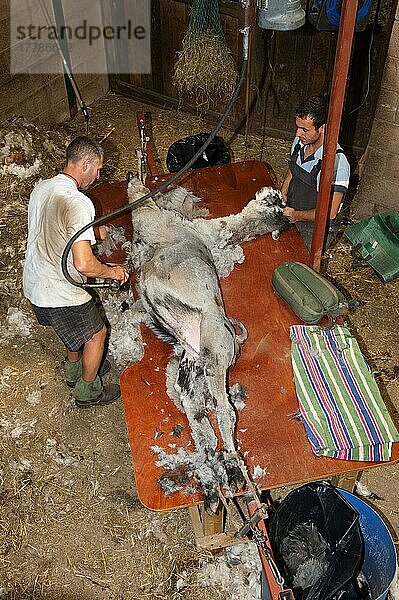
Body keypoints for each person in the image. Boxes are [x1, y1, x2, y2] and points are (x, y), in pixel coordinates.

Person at [23, 136, 129, 408]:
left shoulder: (42, 188)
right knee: (97, 333)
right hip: (59, 290)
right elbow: (83, 264)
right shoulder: (80, 203)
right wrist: (112, 272)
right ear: (85, 164)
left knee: (72, 329)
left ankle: (73, 369)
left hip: (34, 284)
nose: (98, 174)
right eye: (98, 169)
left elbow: (53, 224)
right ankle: (87, 391)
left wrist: (92, 230)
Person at [280, 96, 350, 250]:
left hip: (316, 225)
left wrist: (297, 216)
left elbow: (330, 212)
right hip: (293, 209)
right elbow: (293, 168)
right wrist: (284, 191)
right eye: (297, 127)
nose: (298, 133)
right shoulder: (300, 141)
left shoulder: (337, 163)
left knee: (294, 258)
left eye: (304, 129)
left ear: (323, 128)